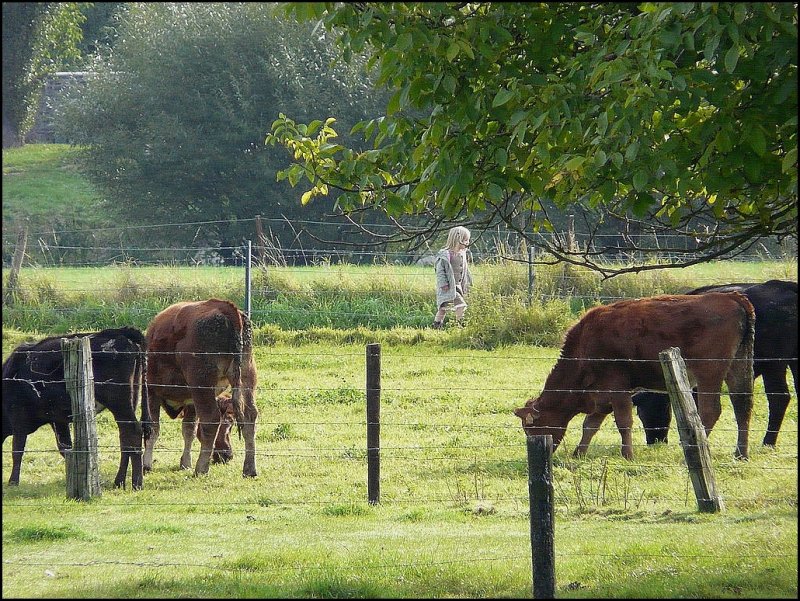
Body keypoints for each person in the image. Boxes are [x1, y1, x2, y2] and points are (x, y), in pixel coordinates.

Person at [432, 226, 473, 328]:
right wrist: (444, 284)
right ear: (457, 239)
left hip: (458, 287)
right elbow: (440, 271)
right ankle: (461, 326)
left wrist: (467, 284)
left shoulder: (462, 254)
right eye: (465, 240)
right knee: (461, 306)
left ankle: (436, 326)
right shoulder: (445, 255)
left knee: (443, 309)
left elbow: (464, 271)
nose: (468, 242)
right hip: (448, 287)